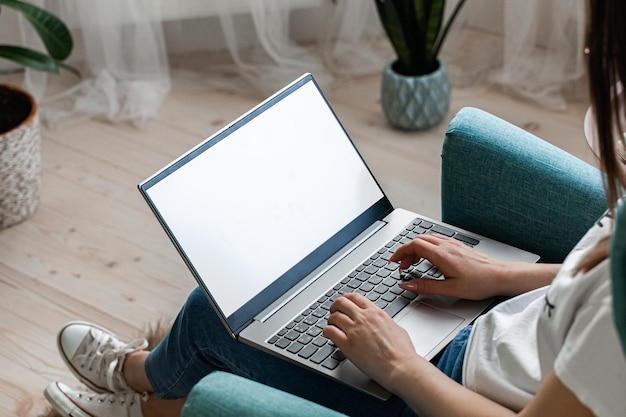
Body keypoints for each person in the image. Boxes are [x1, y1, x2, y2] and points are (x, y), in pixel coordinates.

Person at [44, 1, 626, 416]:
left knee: (214, 314)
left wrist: (400, 366)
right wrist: (497, 278)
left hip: (456, 388)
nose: (592, 55)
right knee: (302, 292)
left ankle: (138, 389)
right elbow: (599, 282)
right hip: (509, 335)